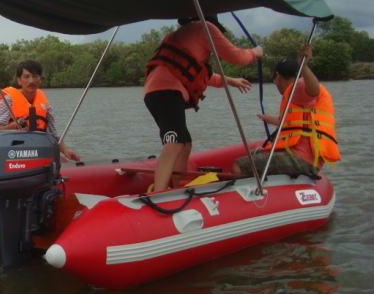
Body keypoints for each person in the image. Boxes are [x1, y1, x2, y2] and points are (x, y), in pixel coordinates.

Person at [144, 15, 262, 191]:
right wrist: (255, 53)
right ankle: (159, 193)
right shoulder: (205, 28)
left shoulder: (184, 33)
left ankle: (178, 186)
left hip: (157, 92)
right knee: (175, 143)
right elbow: (237, 56)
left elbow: (198, 74)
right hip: (167, 92)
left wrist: (229, 80)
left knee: (185, 143)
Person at [232, 44, 339, 176]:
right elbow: (295, 123)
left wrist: (303, 65)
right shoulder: (297, 93)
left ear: (278, 76)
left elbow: (314, 90)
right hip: (303, 157)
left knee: (240, 166)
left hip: (300, 159)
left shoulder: (298, 87)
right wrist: (269, 119)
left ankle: (254, 195)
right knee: (255, 154)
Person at [0, 60, 80, 162]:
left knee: (65, 164)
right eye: (26, 77)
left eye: (35, 76)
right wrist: (13, 126)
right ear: (19, 80)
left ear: (40, 79)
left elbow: (53, 134)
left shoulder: (46, 104)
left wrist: (66, 152)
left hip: (39, 150)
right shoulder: (8, 100)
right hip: (14, 152)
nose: (31, 81)